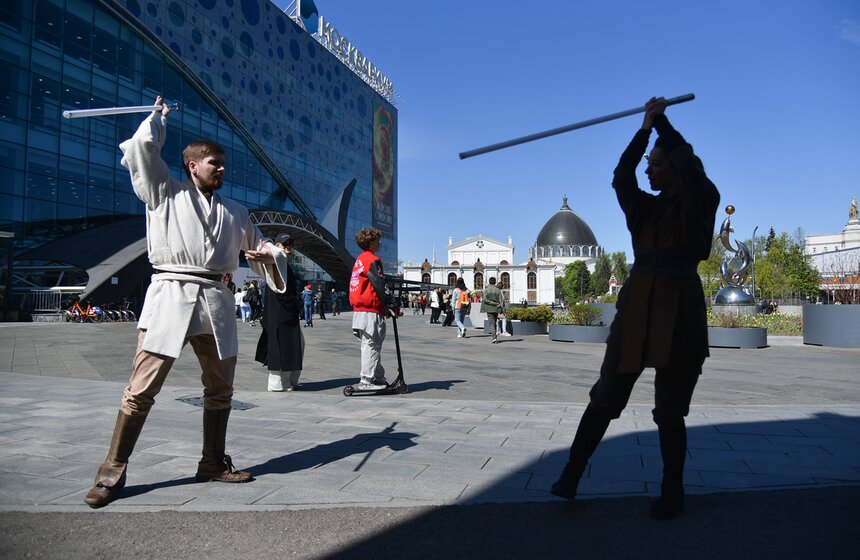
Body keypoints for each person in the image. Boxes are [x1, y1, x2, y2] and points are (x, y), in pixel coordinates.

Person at [84, 97, 291, 508]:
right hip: (170, 295)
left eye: (223, 163)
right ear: (193, 165)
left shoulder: (236, 211)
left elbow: (262, 244)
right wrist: (157, 120)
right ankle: (111, 474)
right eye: (214, 162)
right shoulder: (164, 193)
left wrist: (271, 254)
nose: (222, 169)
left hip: (216, 299)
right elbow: (142, 151)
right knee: (140, 391)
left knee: (220, 391)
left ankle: (212, 462)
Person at [550, 97, 720, 520]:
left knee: (669, 408)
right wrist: (645, 130)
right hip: (639, 303)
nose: (648, 170)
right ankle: (572, 472)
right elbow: (622, 175)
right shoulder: (642, 209)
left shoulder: (699, 201)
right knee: (607, 395)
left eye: (655, 165)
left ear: (675, 170)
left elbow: (688, 160)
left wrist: (661, 120)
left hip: (678, 304)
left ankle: (672, 491)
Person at [349, 227, 400, 390]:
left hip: (359, 310)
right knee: (371, 345)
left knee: (370, 344)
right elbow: (380, 284)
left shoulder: (359, 260)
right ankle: (366, 380)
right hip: (370, 310)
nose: (380, 243)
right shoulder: (372, 259)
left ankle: (377, 377)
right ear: (371, 243)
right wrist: (393, 305)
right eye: (378, 240)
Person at [256, 233, 304, 392]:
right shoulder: (275, 263)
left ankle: (290, 381)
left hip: (287, 314)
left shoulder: (284, 265)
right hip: (280, 314)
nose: (289, 246)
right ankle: (279, 384)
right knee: (281, 347)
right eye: (284, 244)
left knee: (295, 345)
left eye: (291, 243)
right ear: (276, 248)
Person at [480, 277, 506, 343]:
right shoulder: (498, 290)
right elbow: (501, 301)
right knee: (494, 322)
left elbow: (485, 300)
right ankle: (494, 337)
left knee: (492, 323)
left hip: (489, 308)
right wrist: (503, 310)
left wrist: (492, 303)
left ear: (489, 282)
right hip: (496, 308)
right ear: (495, 282)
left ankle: (494, 337)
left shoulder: (486, 290)